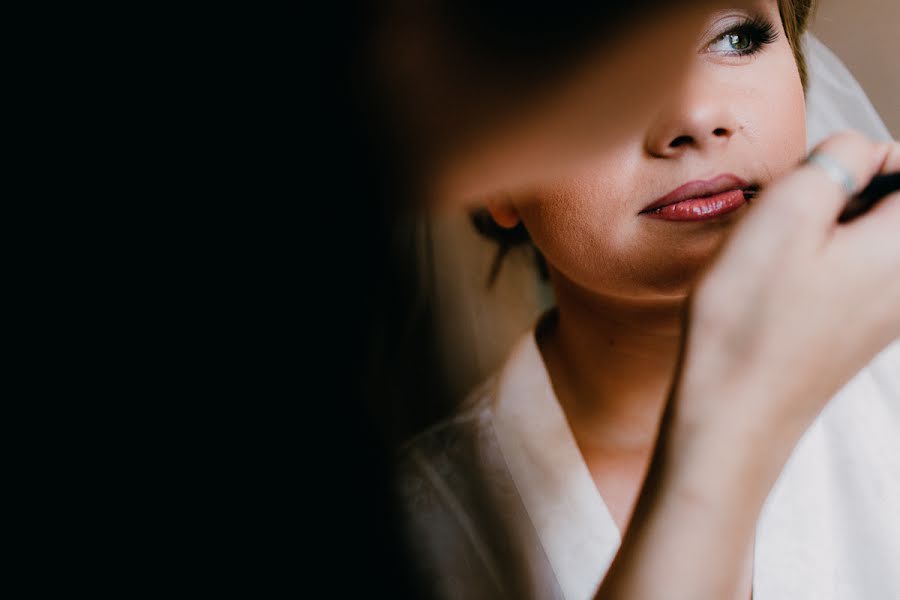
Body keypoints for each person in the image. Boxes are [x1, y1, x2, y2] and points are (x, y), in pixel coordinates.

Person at [397, 1, 900, 598]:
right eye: (597, 65)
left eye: (737, 38)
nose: (695, 114)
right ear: (495, 168)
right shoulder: (412, 533)